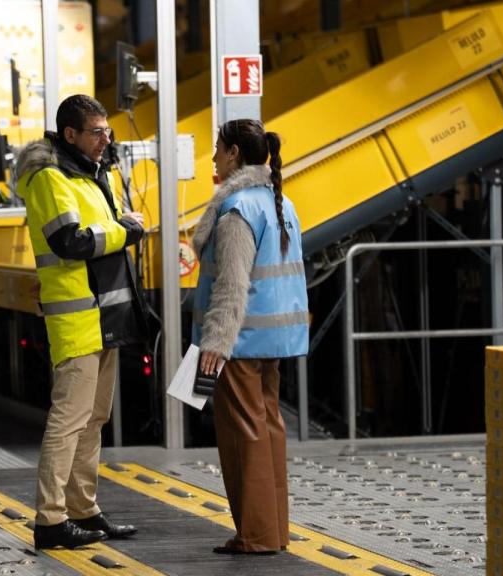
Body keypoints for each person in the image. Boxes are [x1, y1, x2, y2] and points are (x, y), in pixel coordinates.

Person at [15, 94, 146, 550]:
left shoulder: (91, 175)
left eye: (107, 131)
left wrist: (119, 227)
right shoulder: (49, 178)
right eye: (96, 132)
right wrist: (125, 230)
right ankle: (50, 520)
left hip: (103, 315)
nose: (105, 140)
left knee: (94, 419)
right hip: (76, 319)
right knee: (69, 420)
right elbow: (70, 241)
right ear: (70, 134)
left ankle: (83, 508)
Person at [192, 118, 309, 554]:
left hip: (238, 342)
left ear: (234, 154)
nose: (213, 157)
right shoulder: (281, 203)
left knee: (244, 435)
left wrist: (216, 343)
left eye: (217, 148)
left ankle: (255, 536)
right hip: (272, 338)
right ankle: (274, 532)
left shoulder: (238, 209)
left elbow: (232, 284)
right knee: (268, 428)